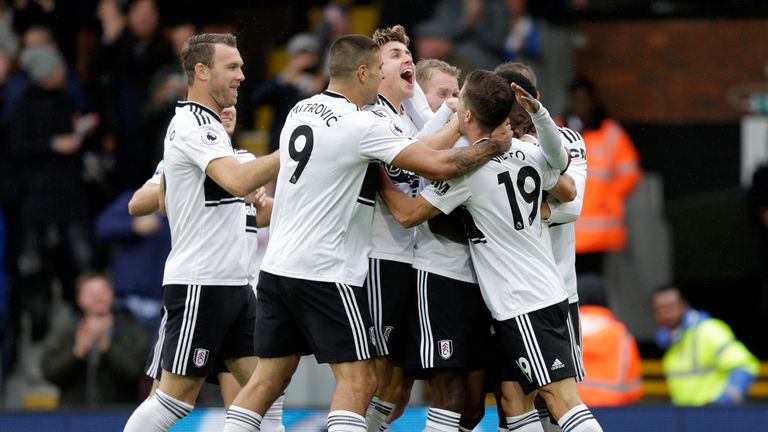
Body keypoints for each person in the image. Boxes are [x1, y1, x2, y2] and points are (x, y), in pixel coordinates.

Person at [222, 34, 512, 432]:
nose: (380, 80)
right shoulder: (361, 124)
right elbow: (436, 166)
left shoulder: (299, 110)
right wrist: (489, 148)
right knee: (361, 381)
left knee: (268, 380)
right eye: (378, 71)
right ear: (361, 73)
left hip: (275, 268)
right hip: (326, 271)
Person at [378, 71, 605, 432]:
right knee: (517, 400)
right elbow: (567, 190)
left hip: (521, 300)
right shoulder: (530, 153)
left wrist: (379, 174)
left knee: (562, 400)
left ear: (467, 115)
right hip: (545, 290)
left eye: (460, 100)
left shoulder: (468, 172)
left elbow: (408, 214)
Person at [122, 33, 279, 432]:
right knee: (173, 400)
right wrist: (297, 147)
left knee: (268, 393)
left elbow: (247, 196)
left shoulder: (226, 149)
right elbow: (140, 203)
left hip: (237, 285)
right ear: (201, 71)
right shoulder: (192, 126)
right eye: (232, 67)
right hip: (202, 284)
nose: (242, 75)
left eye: (242, 66)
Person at [494, 63, 588, 432]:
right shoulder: (491, 143)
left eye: (521, 117)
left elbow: (573, 207)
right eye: (508, 117)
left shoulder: (567, 140)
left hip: (559, 291)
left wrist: (521, 209)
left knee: (557, 402)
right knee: (511, 399)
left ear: (535, 102)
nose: (516, 127)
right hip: (507, 294)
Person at [559, 78, 642, 277]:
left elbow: (630, 172)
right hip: (563, 224)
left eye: (584, 99)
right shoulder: (557, 127)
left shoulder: (610, 133)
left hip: (598, 230)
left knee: (591, 282)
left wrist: (610, 197)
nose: (580, 105)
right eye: (576, 100)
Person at [40, 272, 150, 406]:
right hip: (72, 417)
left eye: (103, 290)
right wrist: (77, 353)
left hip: (119, 413)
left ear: (112, 294)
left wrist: (106, 348)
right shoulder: (66, 330)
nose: (98, 297)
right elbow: (49, 372)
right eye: (91, 293)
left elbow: (135, 372)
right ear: (79, 299)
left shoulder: (131, 329)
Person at [652, 285, 759, 406]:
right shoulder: (670, 341)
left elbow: (744, 365)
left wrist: (723, 402)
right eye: (659, 309)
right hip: (685, 418)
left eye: (670, 307)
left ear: (684, 305)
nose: (665, 313)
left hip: (714, 418)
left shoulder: (709, 331)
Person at [576, 275, 642, 407]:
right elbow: (634, 390)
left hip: (571, 412)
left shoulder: (565, 331)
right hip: (612, 413)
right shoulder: (621, 335)